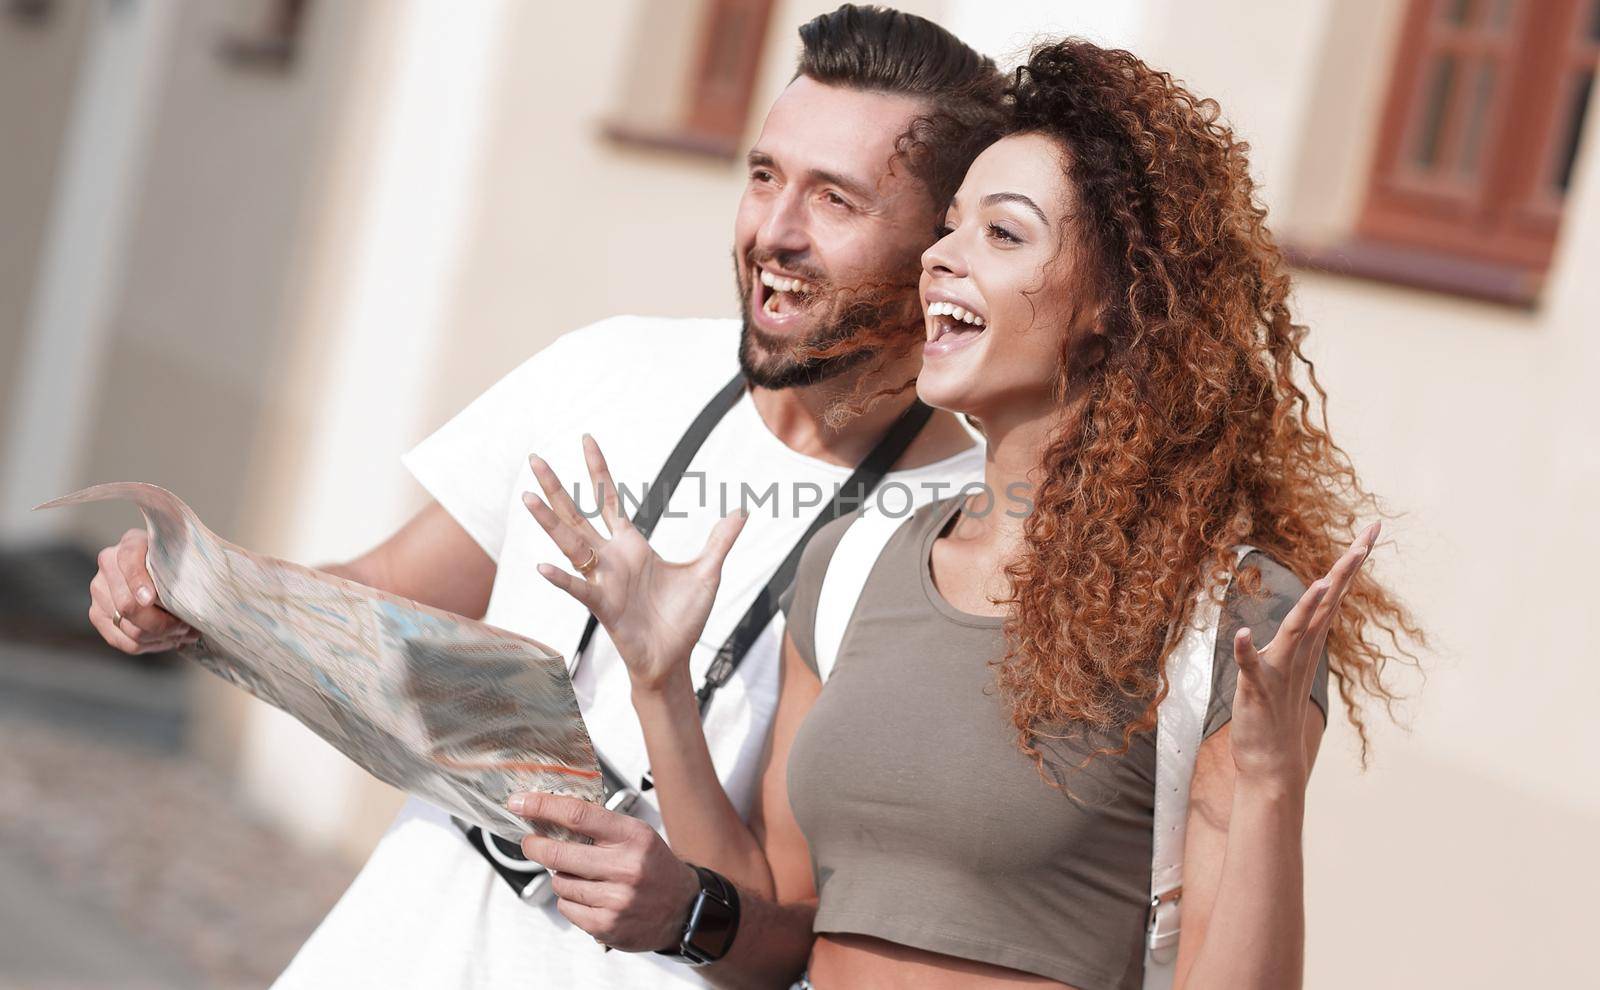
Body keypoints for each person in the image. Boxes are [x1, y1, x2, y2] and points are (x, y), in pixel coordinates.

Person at [83, 7, 1008, 988]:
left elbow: (786, 935)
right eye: (764, 175)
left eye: (835, 200)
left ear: (937, 246)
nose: (773, 232)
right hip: (396, 940)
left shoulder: (952, 533)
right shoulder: (612, 366)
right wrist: (201, 597)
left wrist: (689, 905)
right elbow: (392, 590)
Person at [504, 37, 1424, 990]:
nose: (941, 257)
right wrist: (660, 687)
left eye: (1004, 234)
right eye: (948, 226)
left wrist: (1271, 787)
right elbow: (770, 940)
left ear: (1118, 301)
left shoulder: (1226, 618)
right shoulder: (854, 563)